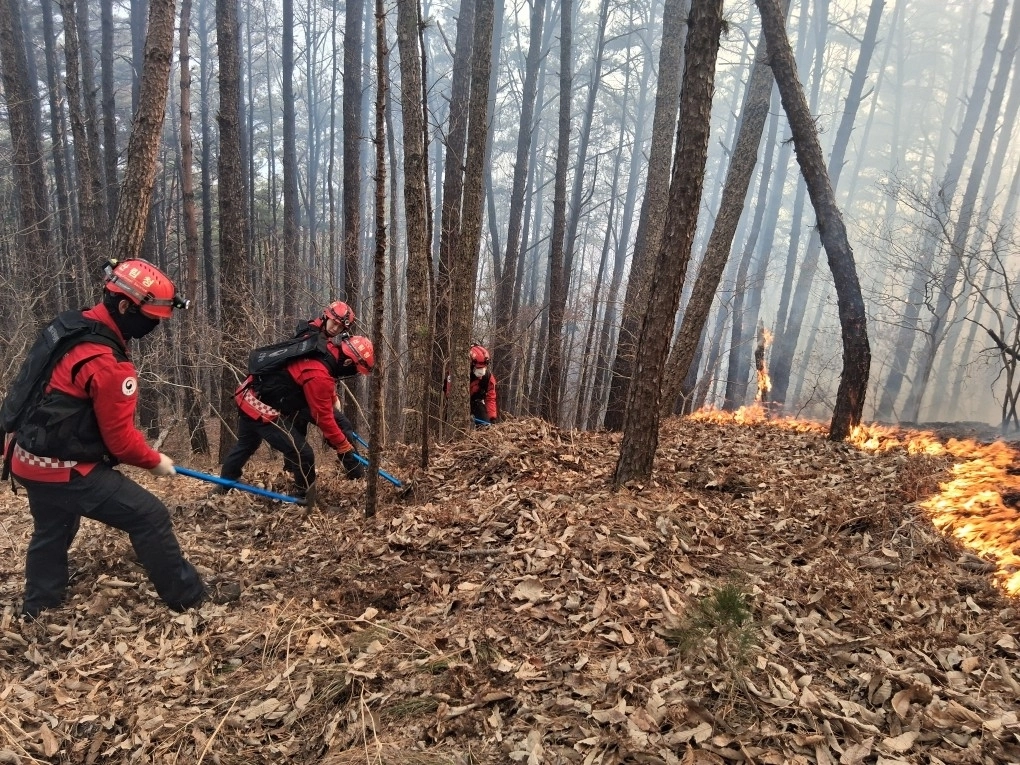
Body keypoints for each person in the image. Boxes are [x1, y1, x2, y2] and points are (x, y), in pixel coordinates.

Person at [1, 259, 236, 619]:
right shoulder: (108, 364)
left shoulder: (71, 324)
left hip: (23, 453)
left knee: (54, 524)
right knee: (148, 515)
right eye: (151, 318)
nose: (155, 325)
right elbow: (121, 442)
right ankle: (189, 599)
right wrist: (155, 461)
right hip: (60, 466)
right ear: (125, 306)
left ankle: (39, 607)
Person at [218, 331, 375, 506]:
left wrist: (333, 401)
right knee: (302, 453)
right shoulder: (319, 375)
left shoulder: (326, 348)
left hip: (251, 393)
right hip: (258, 405)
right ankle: (305, 499)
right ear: (347, 362)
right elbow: (323, 417)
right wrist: (342, 444)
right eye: (355, 369)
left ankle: (224, 483)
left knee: (246, 444)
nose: (353, 373)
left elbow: (325, 386)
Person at [466, 344, 499, 426]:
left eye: (483, 367)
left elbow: (491, 398)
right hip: (458, 404)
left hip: (476, 404)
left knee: (485, 425)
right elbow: (449, 393)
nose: (481, 371)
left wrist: (492, 418)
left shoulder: (488, 378)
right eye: (478, 368)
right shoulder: (459, 375)